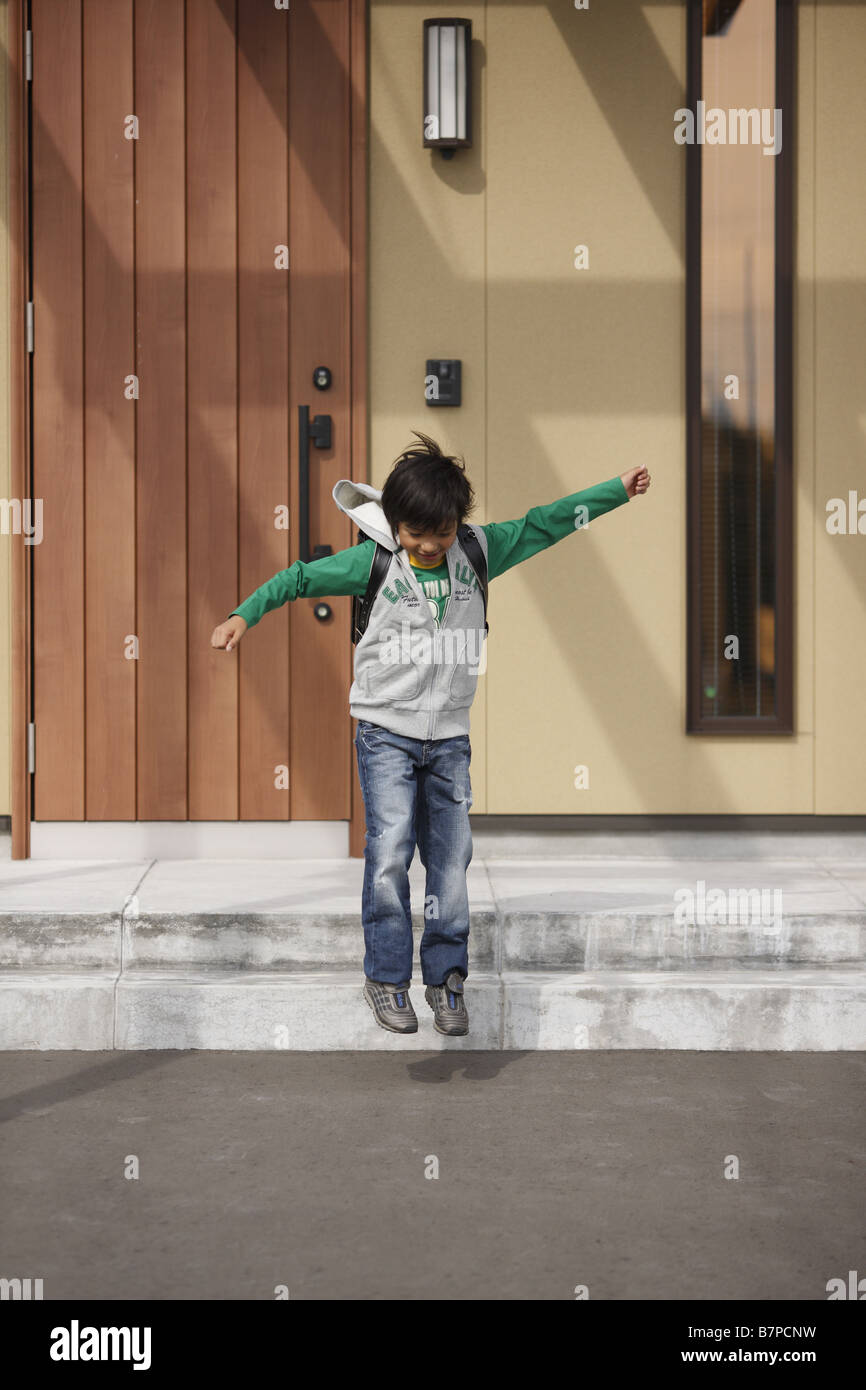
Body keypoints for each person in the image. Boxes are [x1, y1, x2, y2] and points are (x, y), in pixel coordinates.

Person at [211, 432, 651, 1038]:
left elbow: (546, 524)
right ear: (396, 524)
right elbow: (299, 579)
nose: (428, 546)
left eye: (440, 534)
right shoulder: (375, 562)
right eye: (416, 534)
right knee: (390, 853)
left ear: (456, 523)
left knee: (449, 862)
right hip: (385, 731)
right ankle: (387, 980)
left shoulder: (476, 551)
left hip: (447, 737)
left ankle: (446, 981)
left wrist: (615, 493)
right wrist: (243, 615)